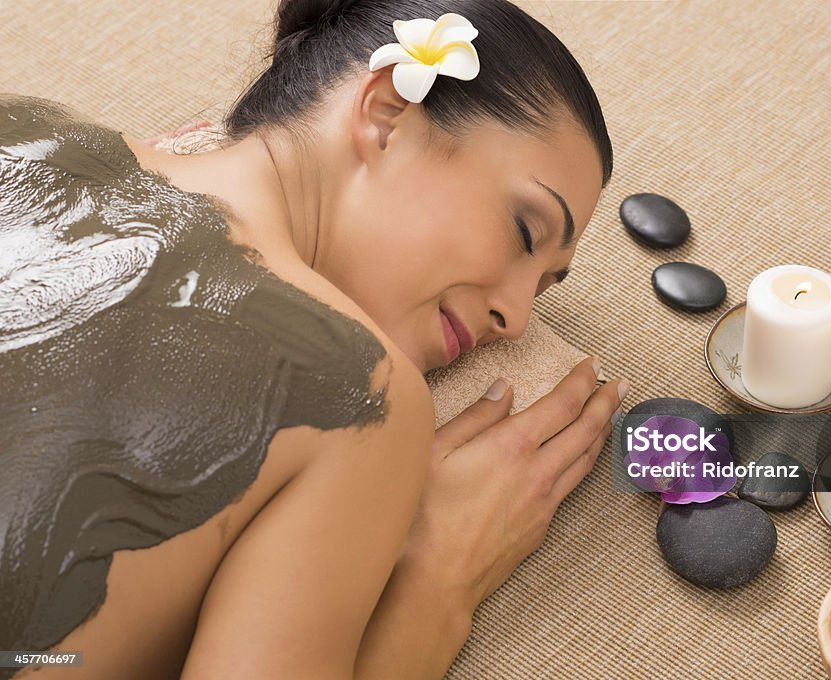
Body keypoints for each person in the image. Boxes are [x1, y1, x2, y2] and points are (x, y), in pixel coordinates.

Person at [0, 0, 626, 678]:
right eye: (526, 232)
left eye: (543, 287)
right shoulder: (360, 389)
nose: (517, 318)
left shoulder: (21, 121)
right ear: (387, 110)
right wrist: (439, 579)